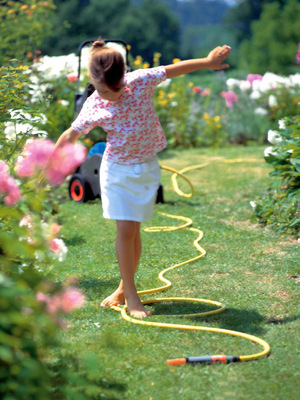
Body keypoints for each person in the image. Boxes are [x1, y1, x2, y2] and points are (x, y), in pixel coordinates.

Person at [55, 39, 231, 318]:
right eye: (106, 90)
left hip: (147, 168)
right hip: (118, 172)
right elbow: (70, 135)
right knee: (125, 232)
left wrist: (208, 62)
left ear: (124, 74)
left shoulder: (139, 80)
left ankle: (123, 290)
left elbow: (175, 70)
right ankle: (132, 300)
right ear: (94, 80)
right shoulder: (93, 104)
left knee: (134, 232)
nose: (114, 93)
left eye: (118, 86)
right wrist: (48, 165)